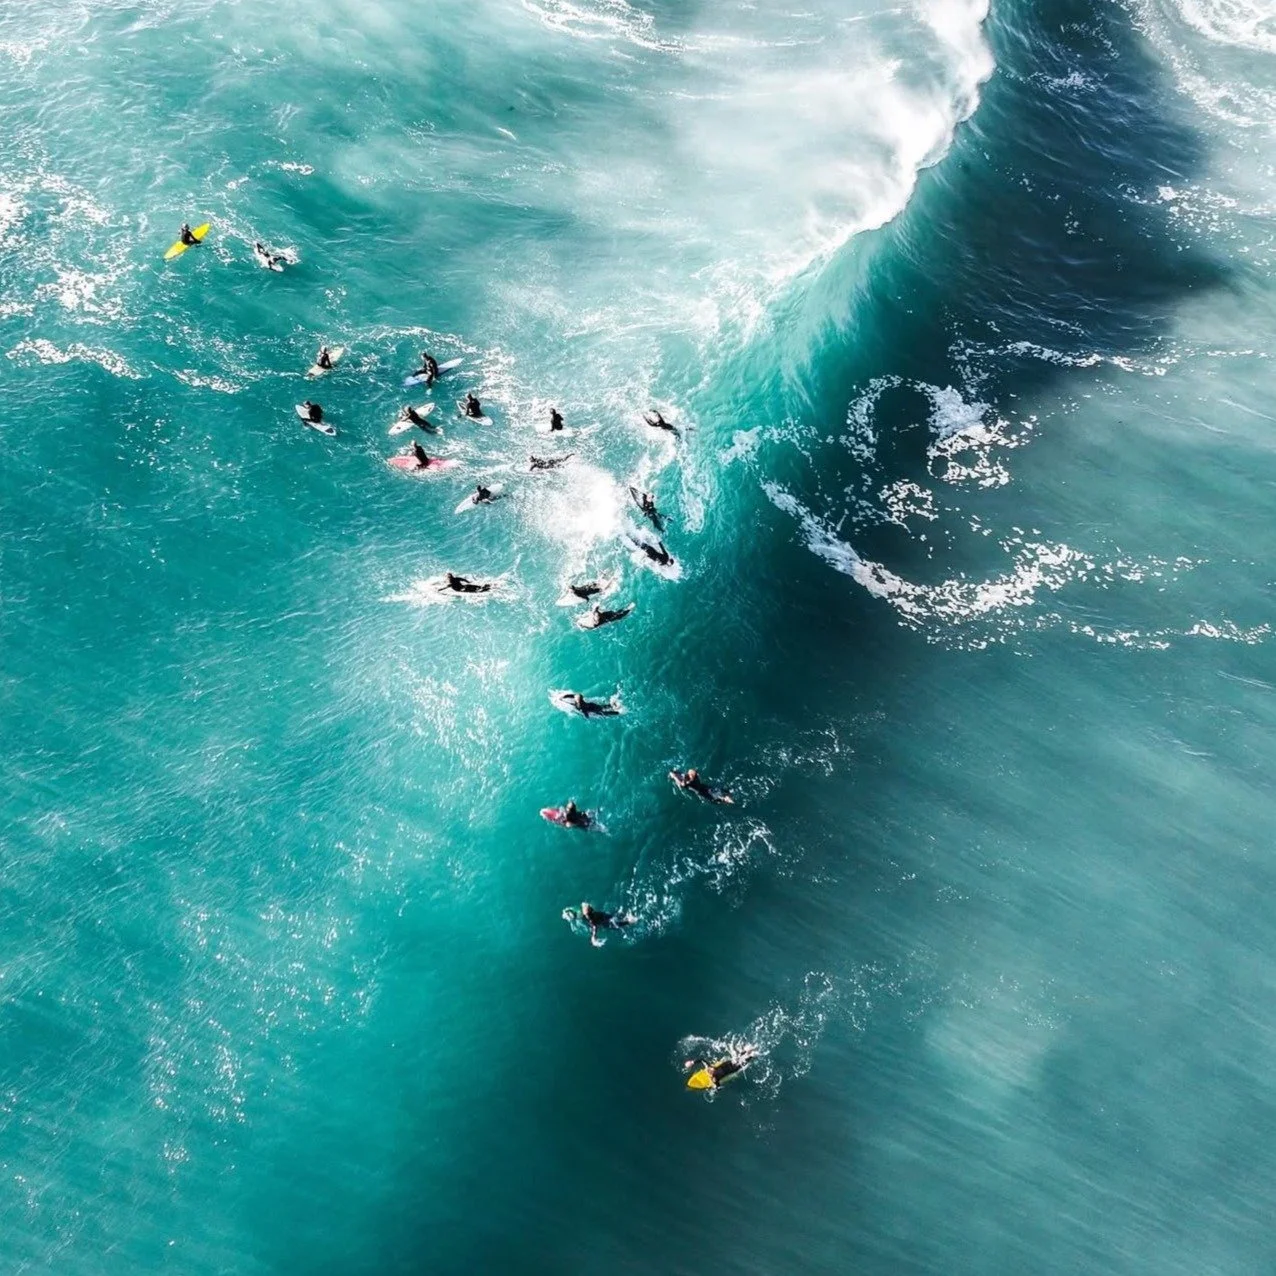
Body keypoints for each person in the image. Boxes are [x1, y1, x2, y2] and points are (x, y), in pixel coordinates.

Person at [683, 1045, 759, 1089]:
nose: (711, 1069)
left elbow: (701, 1060)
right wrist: (715, 1087)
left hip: (731, 1063)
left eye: (710, 1069)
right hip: (733, 1068)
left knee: (740, 1058)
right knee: (744, 1059)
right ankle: (752, 1053)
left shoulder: (710, 1071)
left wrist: (692, 1062)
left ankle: (751, 1051)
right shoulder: (714, 1077)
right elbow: (718, 1087)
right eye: (711, 1070)